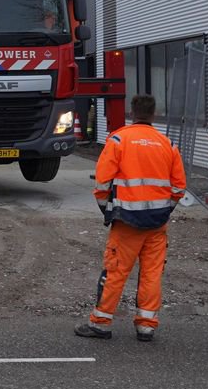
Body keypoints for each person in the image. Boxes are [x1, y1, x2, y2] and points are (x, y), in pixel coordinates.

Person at [76, 94, 186, 342]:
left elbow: (102, 183)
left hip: (126, 221)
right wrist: (164, 210)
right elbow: (179, 188)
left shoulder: (118, 140)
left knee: (115, 271)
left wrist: (107, 210)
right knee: (151, 273)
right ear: (154, 114)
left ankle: (101, 323)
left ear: (131, 113)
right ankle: (146, 325)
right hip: (157, 223)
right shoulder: (167, 144)